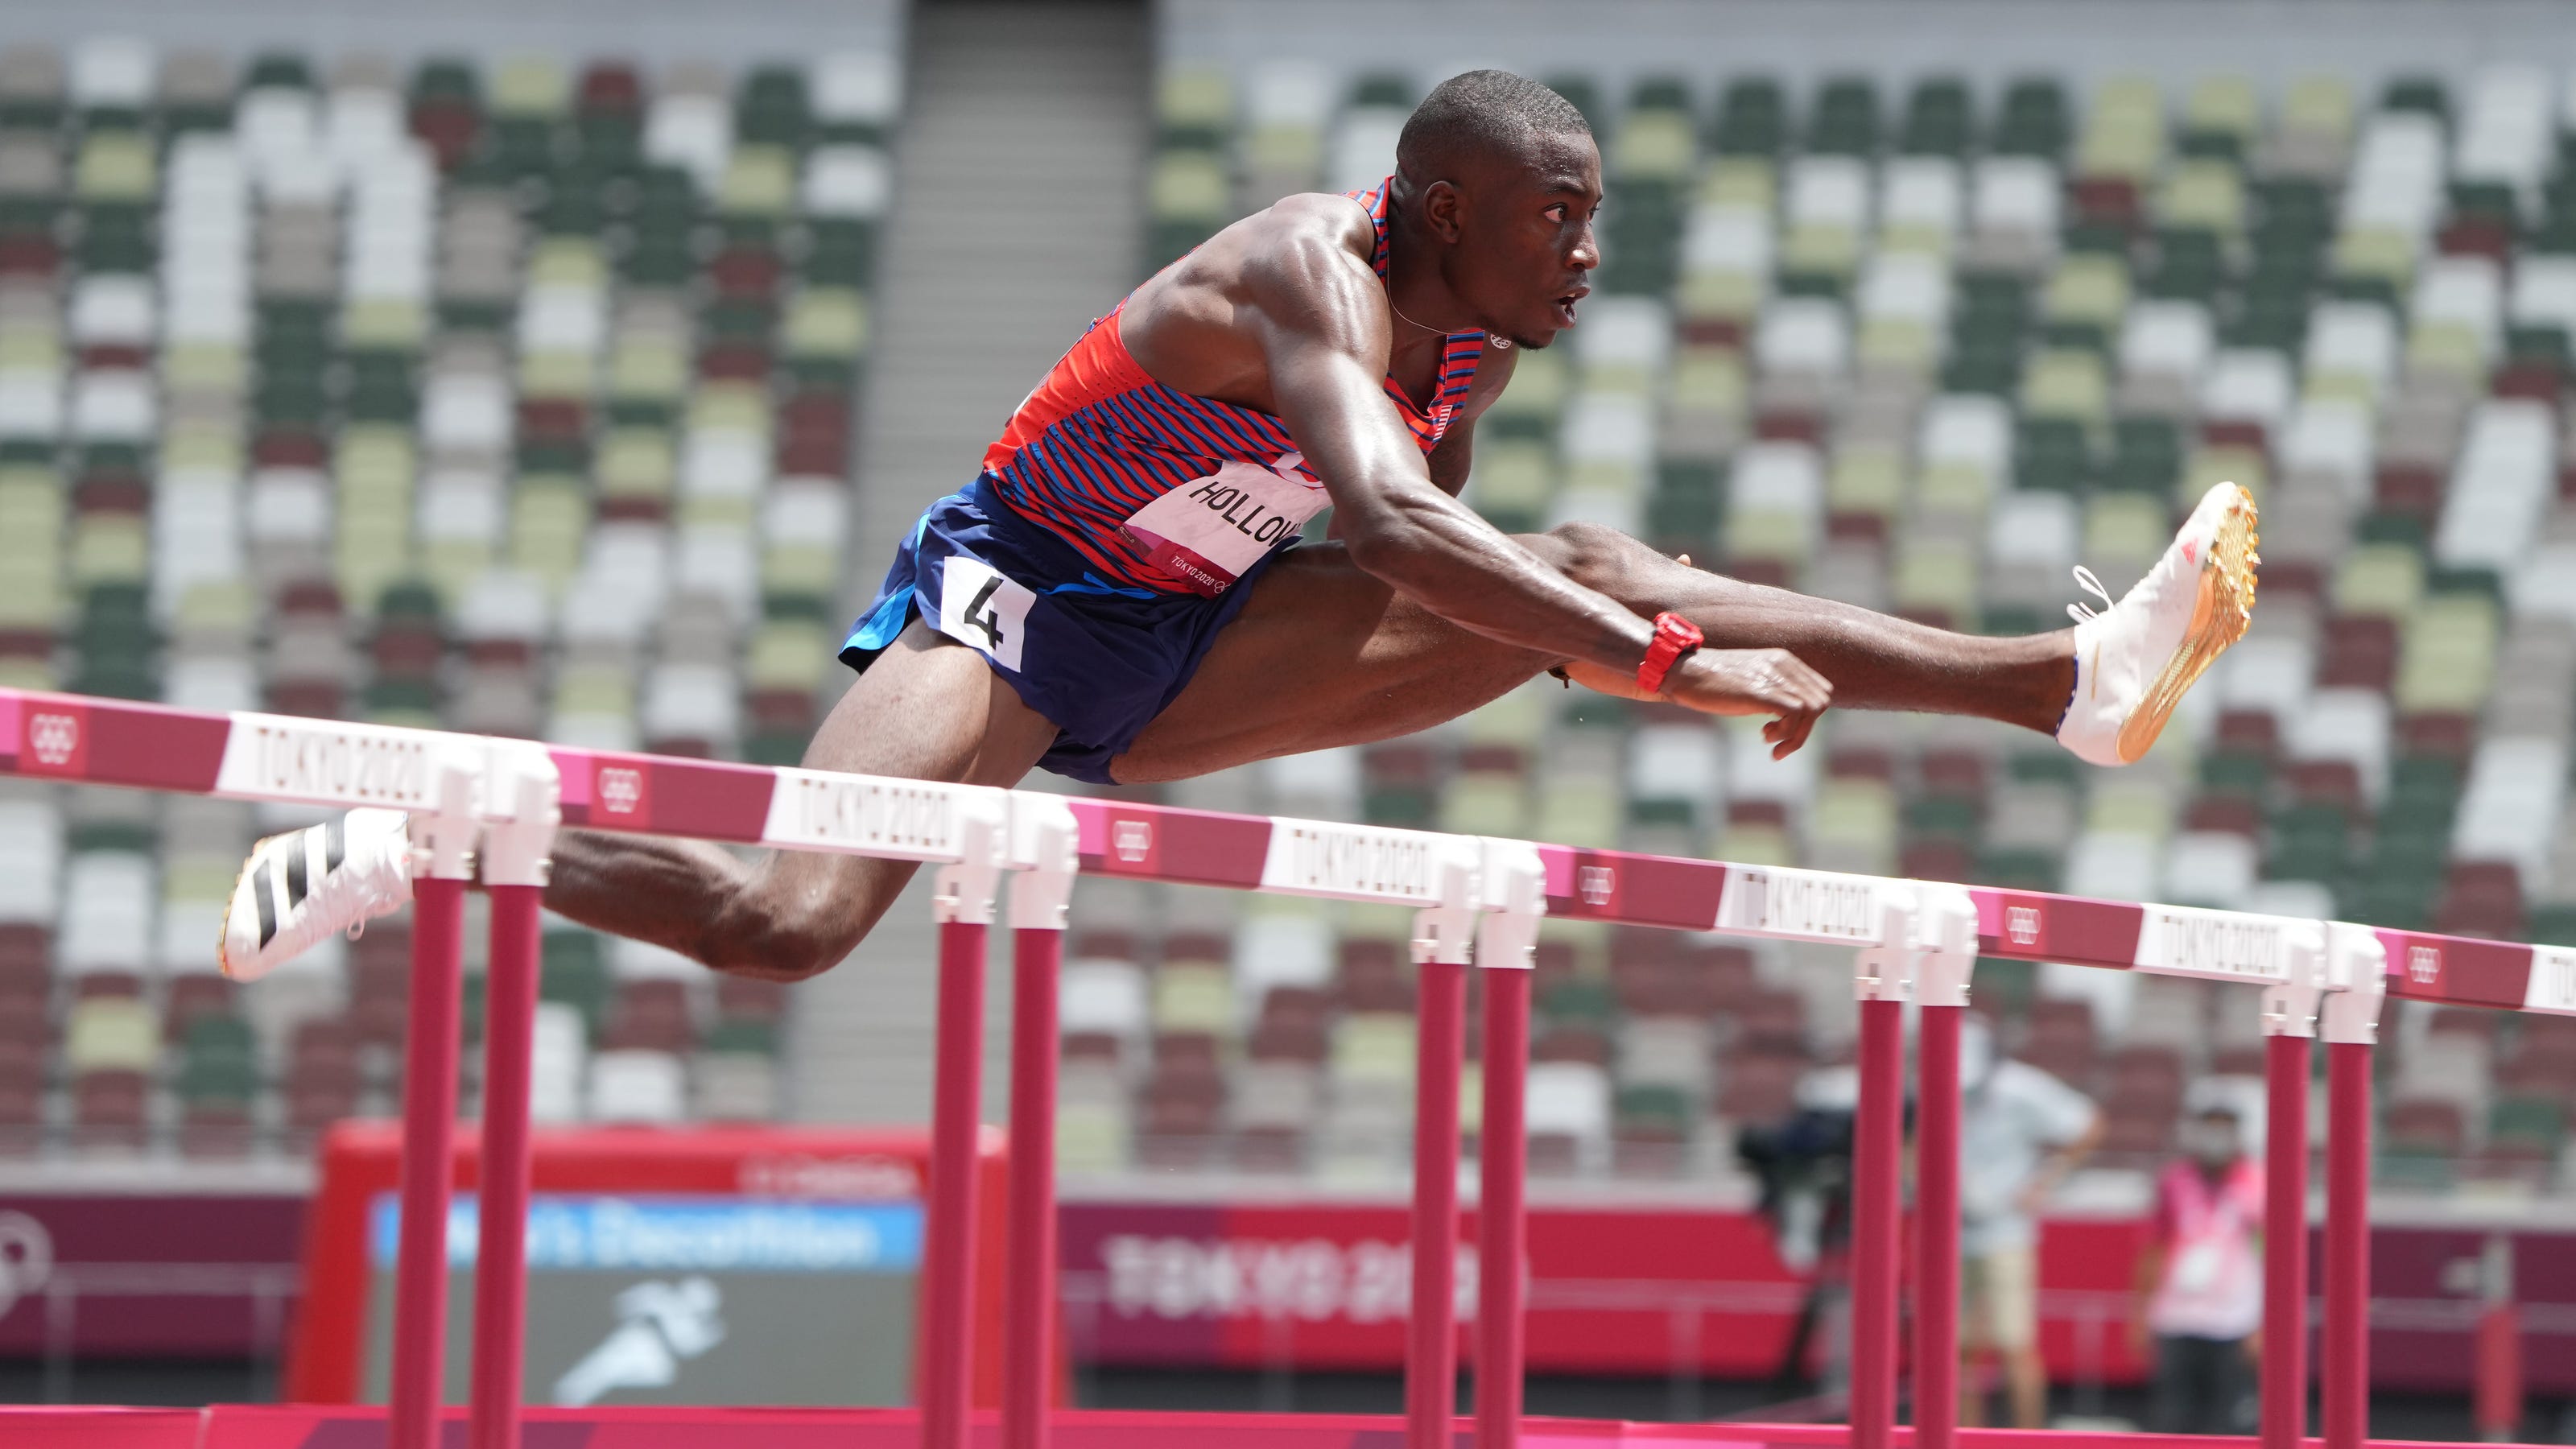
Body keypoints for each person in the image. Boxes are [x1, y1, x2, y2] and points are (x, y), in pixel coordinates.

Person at [216, 70, 2259, 984]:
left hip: (1200, 639)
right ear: (1444, 206)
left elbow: (1394, 552)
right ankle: (432, 833)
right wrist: (1654, 665)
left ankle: (2066, 686)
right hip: (1017, 619)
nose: (1590, 259)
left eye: (1599, 225)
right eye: (1563, 222)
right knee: (786, 933)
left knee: (1608, 558)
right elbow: (1380, 524)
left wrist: (1614, 628)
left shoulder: (1479, 352)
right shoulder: (1304, 273)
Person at [1957, 1013, 2103, 1429]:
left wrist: (2044, 1182)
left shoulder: (2021, 1087)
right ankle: (1955, 1437)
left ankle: (2027, 1437)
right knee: (1955, 1351)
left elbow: (2088, 1124)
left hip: (2006, 1235)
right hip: (1951, 1234)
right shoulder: (1932, 1086)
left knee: (2014, 1345)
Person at [2133, 1104, 2264, 1435]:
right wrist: (2139, 1313)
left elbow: (2270, 1255)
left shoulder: (2258, 1182)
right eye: (2210, 1131)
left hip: (2233, 1320)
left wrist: (2265, 1323)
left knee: (2228, 1421)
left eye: (2224, 1132)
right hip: (2177, 1317)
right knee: (2172, 1417)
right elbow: (2154, 1248)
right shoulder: (2174, 1180)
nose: (2216, 1141)